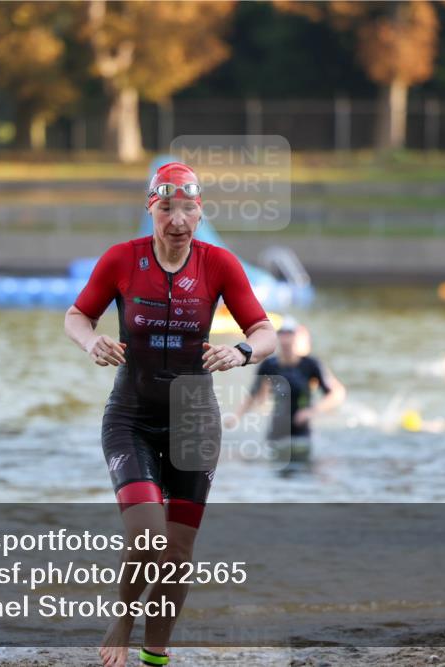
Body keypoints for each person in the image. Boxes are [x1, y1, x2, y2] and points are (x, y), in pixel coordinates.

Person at [64, 161, 276, 667]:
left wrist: (243, 352)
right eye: (166, 209)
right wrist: (91, 341)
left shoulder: (219, 264)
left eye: (187, 209)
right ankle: (123, 618)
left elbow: (264, 330)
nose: (177, 220)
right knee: (145, 534)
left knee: (177, 550)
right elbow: (76, 315)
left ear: (200, 213)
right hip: (130, 416)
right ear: (150, 210)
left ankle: (155, 655)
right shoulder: (121, 259)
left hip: (194, 417)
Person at [227, 316, 345, 471]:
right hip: (277, 431)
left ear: (299, 338)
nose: (286, 340)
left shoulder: (311, 365)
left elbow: (337, 394)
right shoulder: (270, 365)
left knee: (303, 471)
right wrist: (236, 417)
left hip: (301, 432)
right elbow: (254, 395)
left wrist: (311, 411)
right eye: (283, 335)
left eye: (290, 335)